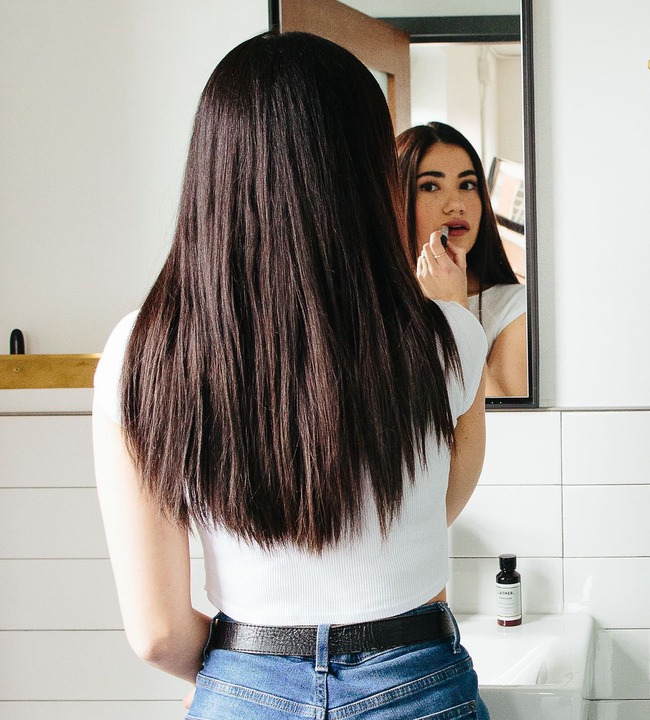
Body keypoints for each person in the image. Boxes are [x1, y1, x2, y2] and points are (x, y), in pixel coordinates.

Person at [91, 32, 490, 720]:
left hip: (244, 685)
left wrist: (247, 682)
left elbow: (156, 634)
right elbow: (434, 511)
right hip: (417, 680)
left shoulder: (139, 352)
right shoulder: (446, 335)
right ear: (368, 175)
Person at [397, 122, 529, 398]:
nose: (456, 204)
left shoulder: (515, 307)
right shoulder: (371, 303)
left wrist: (455, 308)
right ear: (397, 199)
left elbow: (509, 418)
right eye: (430, 186)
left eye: (467, 184)